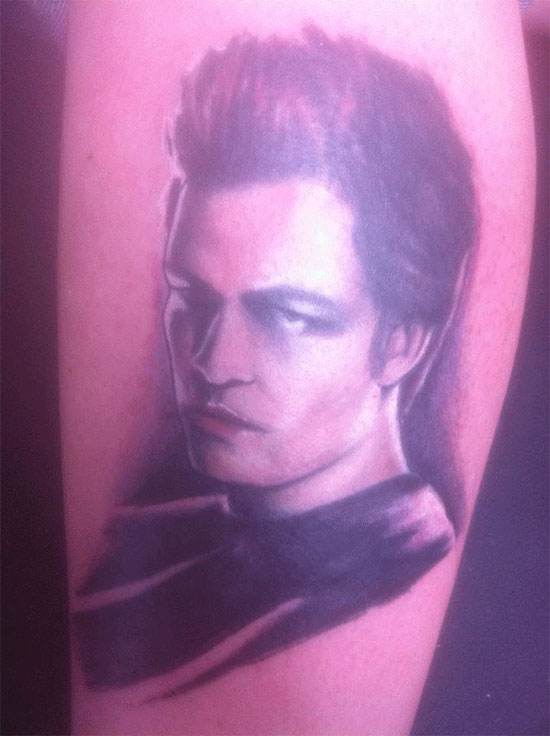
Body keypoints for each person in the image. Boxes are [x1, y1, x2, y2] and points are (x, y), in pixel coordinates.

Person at [73, 27, 479, 698]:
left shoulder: (389, 581)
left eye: (289, 315)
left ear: (402, 342)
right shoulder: (143, 542)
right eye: (192, 297)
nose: (213, 362)